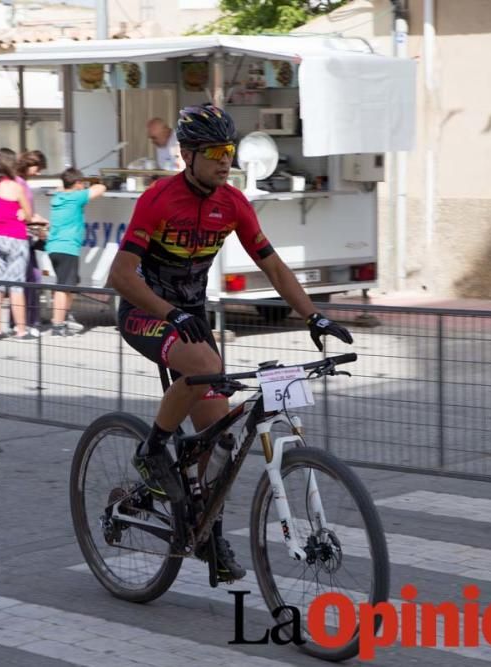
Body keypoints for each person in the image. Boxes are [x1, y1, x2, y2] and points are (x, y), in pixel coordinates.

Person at [107, 103, 353, 582]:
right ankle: (153, 449)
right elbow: (120, 275)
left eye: (230, 151)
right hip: (147, 312)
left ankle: (208, 533)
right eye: (215, 152)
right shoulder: (159, 199)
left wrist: (314, 315)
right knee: (202, 362)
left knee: (218, 443)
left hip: (190, 320)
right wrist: (170, 311)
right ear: (188, 155)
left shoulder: (233, 203)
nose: (225, 160)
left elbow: (274, 266)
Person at [46, 168, 107, 336]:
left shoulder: (58, 197)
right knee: (63, 287)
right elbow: (100, 189)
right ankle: (57, 325)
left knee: (70, 285)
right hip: (67, 248)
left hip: (54, 247)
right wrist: (97, 183)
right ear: (77, 183)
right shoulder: (76, 197)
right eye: (82, 183)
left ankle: (64, 318)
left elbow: (65, 190)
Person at [0, 149, 37, 340]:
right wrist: (24, 215)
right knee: (16, 285)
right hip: (15, 238)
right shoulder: (15, 186)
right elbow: (29, 214)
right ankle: (21, 330)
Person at [14, 150, 49, 332]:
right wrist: (41, 221)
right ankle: (28, 321)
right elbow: (26, 214)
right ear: (29, 164)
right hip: (22, 236)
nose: (39, 172)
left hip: (25, 235)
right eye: (38, 168)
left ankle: (22, 321)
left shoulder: (20, 183)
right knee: (31, 278)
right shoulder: (20, 185)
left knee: (27, 278)